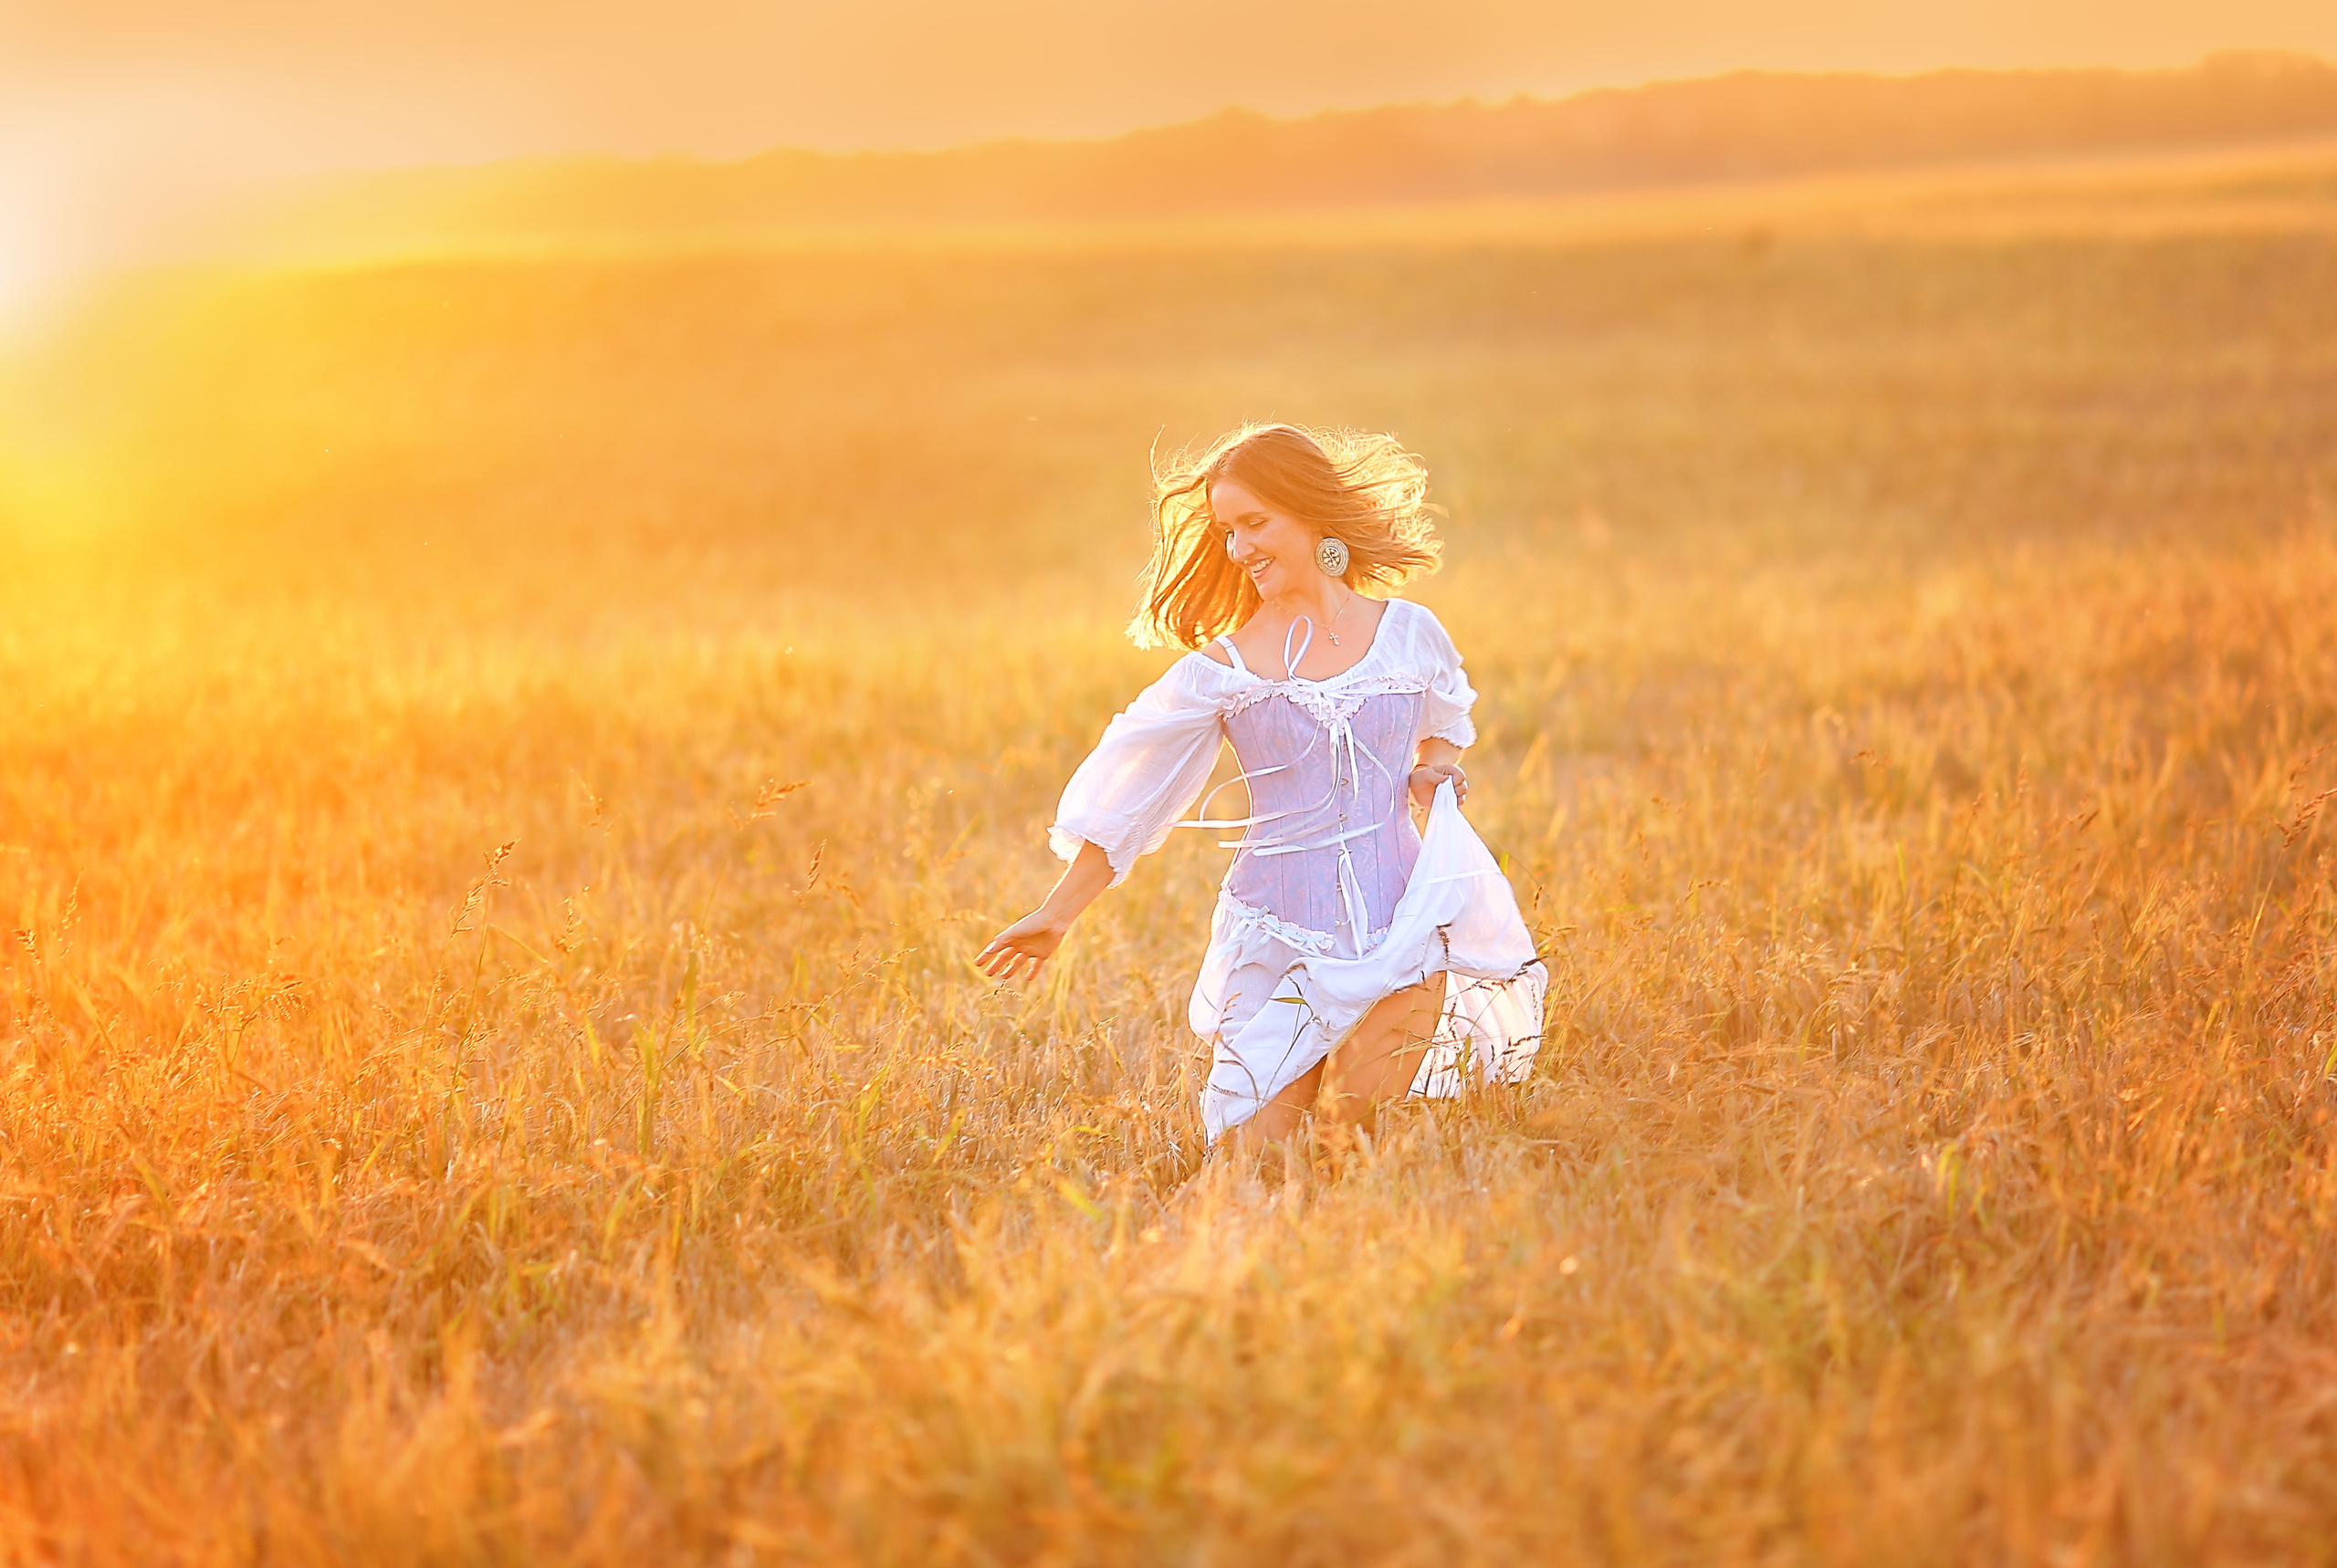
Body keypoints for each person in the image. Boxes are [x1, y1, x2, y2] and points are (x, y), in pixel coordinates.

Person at [976, 423, 1546, 1155]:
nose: (1239, 549)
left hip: (1404, 929)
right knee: (1255, 1164)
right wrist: (1056, 915)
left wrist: (1428, 769)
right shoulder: (1226, 668)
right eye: (1227, 532)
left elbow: (1447, 715)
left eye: (1255, 523)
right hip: (1278, 937)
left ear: (1311, 512)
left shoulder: (1409, 633)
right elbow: (1132, 797)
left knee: (1346, 1143)